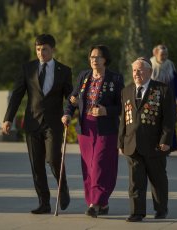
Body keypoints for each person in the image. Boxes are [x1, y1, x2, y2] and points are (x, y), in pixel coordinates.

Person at [2, 34, 73, 214]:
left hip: (54, 124)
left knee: (53, 159)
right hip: (33, 123)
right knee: (37, 165)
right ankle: (44, 203)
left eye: (45, 49)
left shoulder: (64, 71)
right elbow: (17, 94)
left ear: (53, 50)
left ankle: (62, 187)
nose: (41, 52)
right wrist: (8, 118)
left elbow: (70, 97)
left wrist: (70, 112)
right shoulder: (28, 68)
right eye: (38, 49)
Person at [62, 44, 124, 217]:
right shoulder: (84, 76)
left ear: (105, 60)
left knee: (100, 164)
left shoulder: (115, 79)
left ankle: (94, 204)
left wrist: (106, 111)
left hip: (107, 128)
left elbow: (122, 106)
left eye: (98, 57)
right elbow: (72, 99)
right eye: (91, 57)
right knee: (89, 168)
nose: (94, 60)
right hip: (86, 128)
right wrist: (67, 114)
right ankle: (100, 203)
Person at [118, 57, 175, 222]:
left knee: (157, 179)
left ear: (149, 72)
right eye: (134, 70)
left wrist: (165, 139)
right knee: (135, 181)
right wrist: (120, 141)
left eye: (140, 70)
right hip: (132, 143)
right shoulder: (126, 91)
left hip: (155, 144)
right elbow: (124, 119)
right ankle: (137, 212)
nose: (137, 73)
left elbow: (169, 118)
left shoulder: (162, 90)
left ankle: (161, 209)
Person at [151, 44, 177, 151]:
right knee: (155, 120)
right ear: (155, 54)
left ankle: (170, 146)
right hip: (154, 98)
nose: (164, 56)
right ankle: (155, 144)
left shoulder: (170, 65)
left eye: (166, 54)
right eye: (162, 54)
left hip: (169, 97)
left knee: (169, 121)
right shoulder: (150, 65)